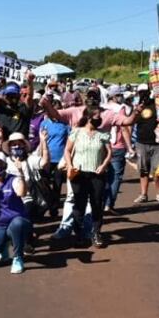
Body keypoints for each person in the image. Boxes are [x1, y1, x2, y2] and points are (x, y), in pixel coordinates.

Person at [64, 106, 112, 248]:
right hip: (79, 174)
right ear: (89, 117)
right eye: (97, 117)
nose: (99, 119)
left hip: (97, 174)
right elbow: (67, 150)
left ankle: (96, 233)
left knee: (97, 204)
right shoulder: (77, 132)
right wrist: (69, 165)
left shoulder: (103, 134)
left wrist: (103, 165)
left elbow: (109, 152)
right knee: (80, 204)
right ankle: (78, 234)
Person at [132, 86, 159, 204]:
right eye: (141, 93)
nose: (143, 96)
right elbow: (132, 121)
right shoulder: (137, 107)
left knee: (158, 171)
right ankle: (143, 194)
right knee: (143, 170)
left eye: (145, 93)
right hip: (141, 142)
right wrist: (137, 110)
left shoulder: (157, 104)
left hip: (157, 143)